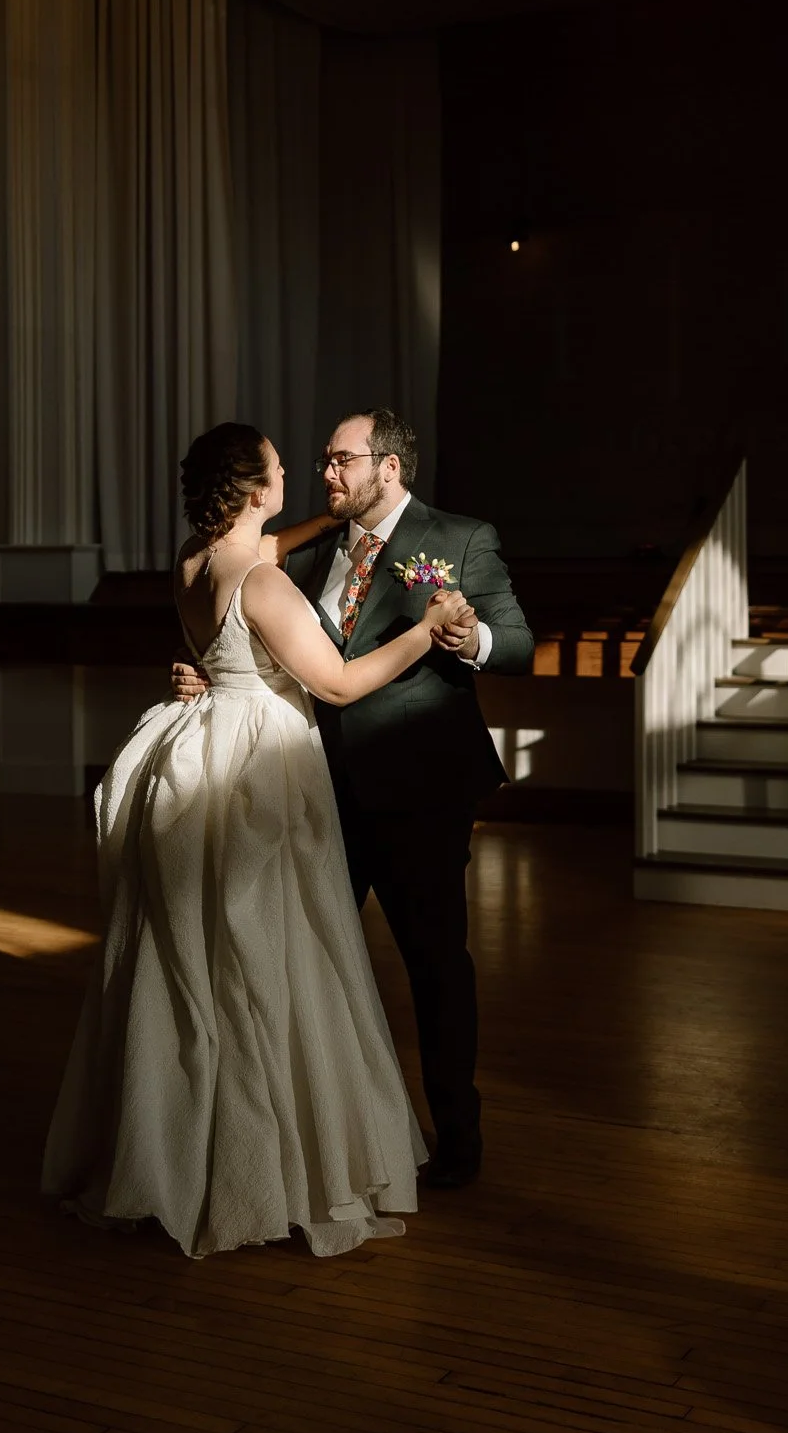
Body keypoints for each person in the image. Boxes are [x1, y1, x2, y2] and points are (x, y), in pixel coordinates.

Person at [42, 422, 474, 1259]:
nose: (295, 475)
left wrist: (321, 531)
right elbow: (340, 685)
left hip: (196, 747)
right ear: (254, 488)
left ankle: (166, 1148)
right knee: (272, 948)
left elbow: (262, 552)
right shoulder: (266, 586)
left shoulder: (192, 560)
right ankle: (267, 1163)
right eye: (281, 468)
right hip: (259, 765)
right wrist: (427, 629)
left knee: (195, 948)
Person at [172, 409, 533, 1189]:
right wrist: (211, 671)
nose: (324, 473)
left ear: (388, 468)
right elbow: (257, 635)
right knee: (302, 963)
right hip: (309, 791)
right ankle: (307, 1138)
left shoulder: (460, 536)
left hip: (418, 791)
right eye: (318, 462)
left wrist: (465, 640)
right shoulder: (295, 554)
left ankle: (457, 1139)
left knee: (434, 965)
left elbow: (518, 644)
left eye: (340, 460)